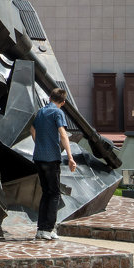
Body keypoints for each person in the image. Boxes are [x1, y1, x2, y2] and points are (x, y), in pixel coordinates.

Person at [30, 88, 78, 240]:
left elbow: (32, 129)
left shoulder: (40, 112)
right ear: (62, 102)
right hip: (51, 158)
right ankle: (48, 229)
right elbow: (63, 134)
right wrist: (70, 157)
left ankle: (40, 229)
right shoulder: (58, 113)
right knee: (55, 193)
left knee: (46, 193)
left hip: (38, 157)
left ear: (50, 98)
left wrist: (39, 143)